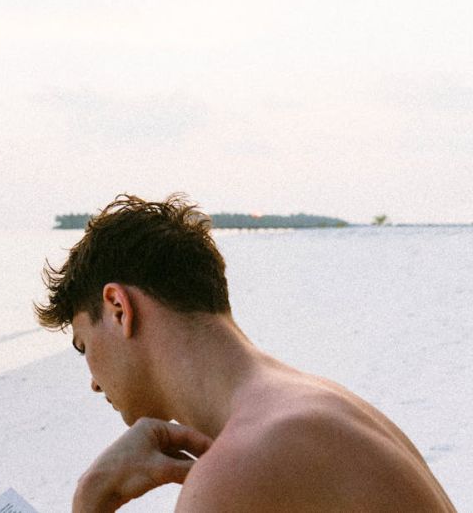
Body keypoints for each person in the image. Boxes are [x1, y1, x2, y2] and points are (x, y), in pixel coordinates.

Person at [35, 193, 455, 512]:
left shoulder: (242, 463)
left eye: (83, 346)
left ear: (118, 308)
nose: (92, 380)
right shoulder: (315, 405)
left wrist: (90, 496)